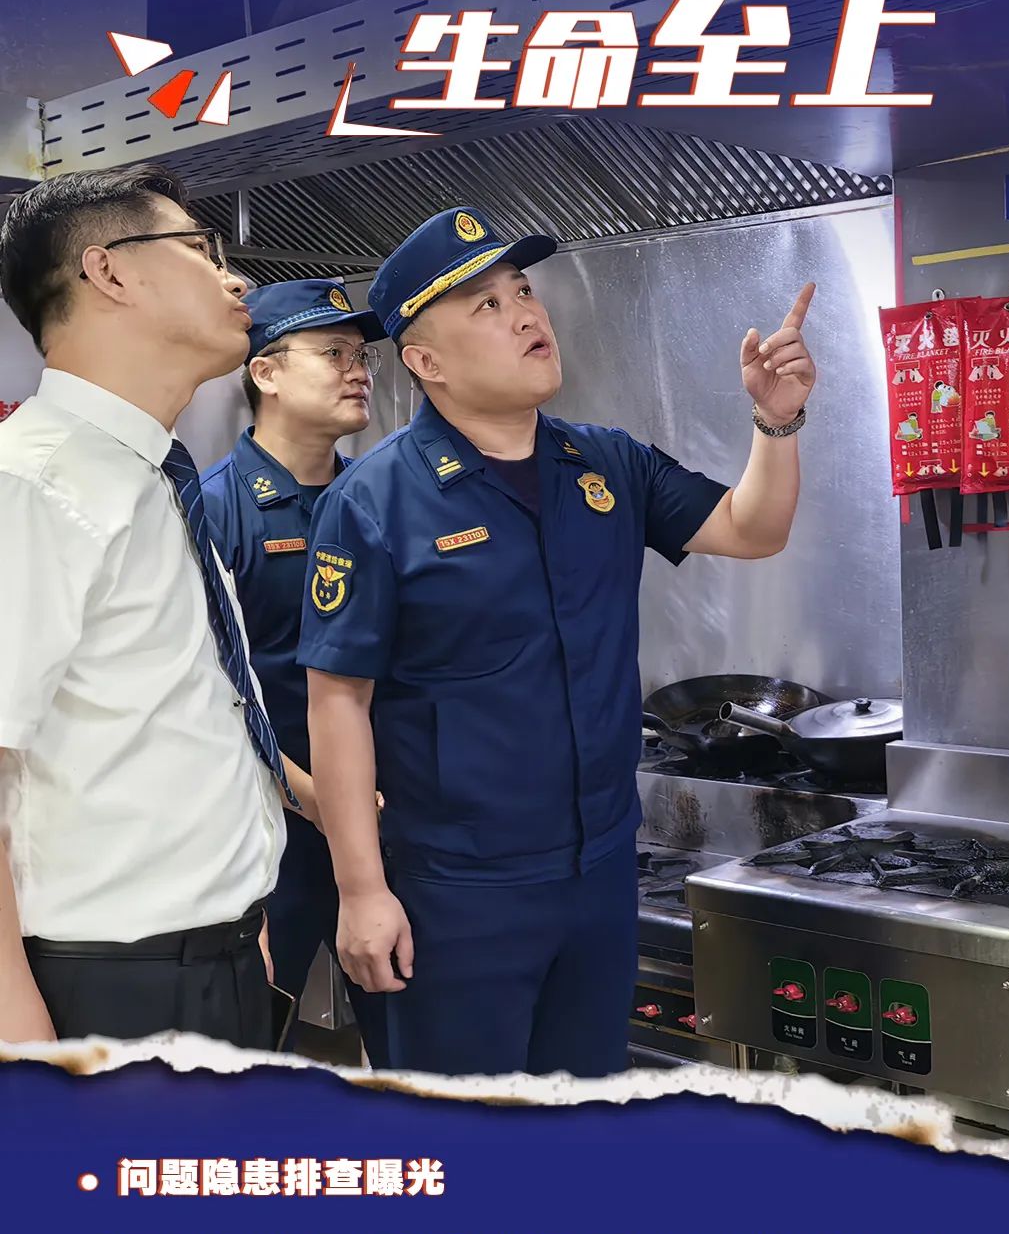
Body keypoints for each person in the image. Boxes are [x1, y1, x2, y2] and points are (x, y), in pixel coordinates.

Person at [298, 206, 817, 1078]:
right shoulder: (374, 502)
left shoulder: (605, 464)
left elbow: (751, 528)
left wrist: (777, 424)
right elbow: (337, 704)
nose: (526, 315)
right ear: (425, 363)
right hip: (457, 890)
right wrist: (361, 890)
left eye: (523, 292)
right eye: (486, 306)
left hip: (601, 870)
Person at [0, 164, 301, 1047]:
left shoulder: (150, 475)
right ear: (110, 271)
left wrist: (242, 916)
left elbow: (185, 715)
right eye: (203, 249)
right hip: (107, 988)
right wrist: (17, 1025)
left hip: (214, 959)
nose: (236, 280)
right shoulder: (34, 484)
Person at [201, 278, 388, 1063]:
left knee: (411, 1054)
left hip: (386, 824)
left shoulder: (381, 499)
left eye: (362, 354)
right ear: (266, 373)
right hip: (269, 836)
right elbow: (205, 694)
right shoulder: (216, 509)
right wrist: (307, 792)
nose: (359, 370)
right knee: (252, 1046)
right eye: (333, 352)